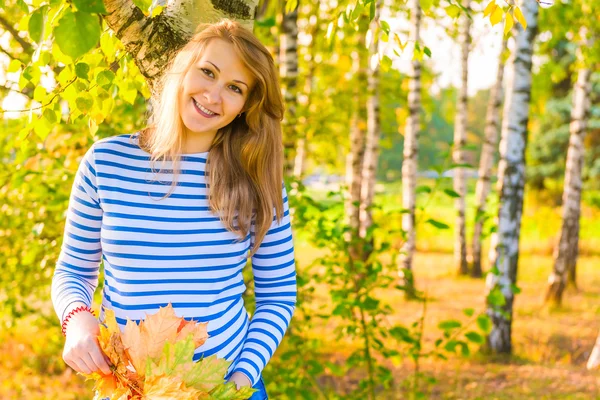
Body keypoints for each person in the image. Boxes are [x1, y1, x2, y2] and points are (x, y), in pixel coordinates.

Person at [51, 19, 296, 400]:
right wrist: (77, 321)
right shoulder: (107, 162)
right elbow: (73, 271)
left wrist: (242, 377)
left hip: (224, 385)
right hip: (129, 386)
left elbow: (278, 294)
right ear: (183, 68)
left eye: (234, 88)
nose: (213, 95)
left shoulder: (256, 180)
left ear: (246, 106)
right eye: (207, 72)